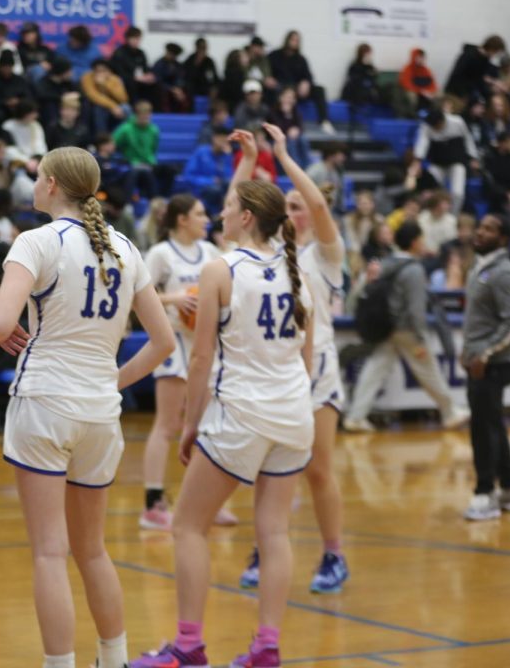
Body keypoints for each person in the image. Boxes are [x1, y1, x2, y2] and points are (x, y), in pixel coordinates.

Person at [0, 146, 173, 668]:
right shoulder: (126, 247)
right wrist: (113, 381)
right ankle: (113, 660)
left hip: (44, 401)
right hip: (98, 411)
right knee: (93, 550)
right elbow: (162, 344)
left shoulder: (36, 241)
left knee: (50, 551)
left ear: (49, 185)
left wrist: (0, 332)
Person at [130, 180, 313, 668]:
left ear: (248, 216)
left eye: (229, 206)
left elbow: (201, 356)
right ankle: (266, 648)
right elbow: (307, 358)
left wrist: (191, 423)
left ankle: (188, 646)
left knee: (188, 527)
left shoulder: (219, 269)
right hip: (295, 415)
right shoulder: (299, 271)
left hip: (242, 414)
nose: (221, 213)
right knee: (273, 533)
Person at [235, 123, 352, 596]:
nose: (291, 211)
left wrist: (282, 157)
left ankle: (334, 553)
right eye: (286, 206)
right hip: (275, 370)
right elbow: (235, 213)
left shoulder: (325, 256)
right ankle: (265, 548)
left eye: (296, 206)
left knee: (318, 468)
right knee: (269, 468)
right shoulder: (265, 252)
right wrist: (247, 162)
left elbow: (320, 205)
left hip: (318, 369)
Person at [139, 194, 237, 532]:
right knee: (167, 425)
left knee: (208, 424)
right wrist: (175, 298)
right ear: (181, 219)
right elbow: (137, 294)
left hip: (205, 345)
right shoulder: (161, 253)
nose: (206, 219)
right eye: (199, 213)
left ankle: (209, 501)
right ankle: (153, 504)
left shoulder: (211, 253)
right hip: (173, 342)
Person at [344, 221, 471, 433]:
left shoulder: (384, 263)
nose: (423, 243)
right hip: (406, 331)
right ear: (414, 242)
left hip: (386, 328)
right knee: (428, 370)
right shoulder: (414, 269)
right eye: (421, 239)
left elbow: (358, 292)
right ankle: (450, 412)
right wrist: (421, 337)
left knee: (375, 368)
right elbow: (415, 308)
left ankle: (356, 416)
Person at [460, 214, 510, 520]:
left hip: (493, 363)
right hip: (479, 359)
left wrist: (485, 354)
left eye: (489, 228)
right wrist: (468, 351)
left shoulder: (503, 272)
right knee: (490, 423)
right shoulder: (480, 267)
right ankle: (507, 487)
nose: (480, 231)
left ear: (503, 238)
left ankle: (484, 492)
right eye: (480, 226)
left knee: (482, 428)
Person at [414, 105, 480, 210]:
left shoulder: (457, 122)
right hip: (437, 163)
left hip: (456, 162)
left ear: (442, 121)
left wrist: (473, 157)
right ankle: (430, 212)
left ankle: (453, 216)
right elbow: (422, 143)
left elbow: (468, 139)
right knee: (430, 190)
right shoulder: (427, 126)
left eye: (437, 125)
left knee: (457, 193)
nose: (435, 128)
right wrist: (418, 161)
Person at [269, 30, 333, 133]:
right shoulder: (274, 55)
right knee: (275, 90)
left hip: (298, 90)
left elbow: (308, 76)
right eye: (293, 39)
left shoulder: (301, 59)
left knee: (319, 90)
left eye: (297, 40)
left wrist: (306, 83)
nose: (295, 42)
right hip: (281, 89)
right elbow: (268, 74)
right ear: (287, 40)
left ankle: (324, 121)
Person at [180, 127, 235, 213]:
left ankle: (225, 214)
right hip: (201, 188)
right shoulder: (201, 152)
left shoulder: (226, 156)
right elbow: (188, 176)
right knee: (215, 190)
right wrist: (209, 181)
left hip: (220, 189)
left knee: (229, 186)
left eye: (226, 140)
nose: (223, 143)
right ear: (214, 138)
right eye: (221, 139)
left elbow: (229, 177)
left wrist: (227, 157)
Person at [112, 101, 160, 200]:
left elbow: (154, 149)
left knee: (170, 171)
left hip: (149, 164)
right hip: (132, 163)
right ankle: (128, 204)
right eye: (143, 115)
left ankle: (159, 202)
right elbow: (112, 143)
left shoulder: (154, 130)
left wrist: (151, 161)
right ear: (136, 115)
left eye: (147, 115)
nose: (145, 117)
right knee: (140, 173)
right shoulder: (126, 129)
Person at [0, 50, 33, 133]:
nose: (7, 70)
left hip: (18, 108)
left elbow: (28, 96)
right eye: (5, 67)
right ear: (0, 66)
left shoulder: (19, 80)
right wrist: (4, 102)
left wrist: (18, 101)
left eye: (9, 67)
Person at [444, 35, 506, 105]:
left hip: (466, 94)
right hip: (454, 92)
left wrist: (491, 90)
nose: (495, 55)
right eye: (496, 53)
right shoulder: (469, 54)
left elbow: (479, 80)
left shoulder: (485, 60)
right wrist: (463, 94)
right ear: (492, 48)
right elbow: (457, 74)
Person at [110, 26, 156, 104]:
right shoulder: (119, 53)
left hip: (139, 80)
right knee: (131, 84)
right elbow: (119, 73)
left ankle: (153, 111)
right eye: (133, 38)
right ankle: (133, 110)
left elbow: (145, 68)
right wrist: (135, 78)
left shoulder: (141, 53)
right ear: (127, 39)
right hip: (125, 81)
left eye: (138, 39)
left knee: (155, 85)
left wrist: (149, 75)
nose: (136, 41)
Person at [81, 58, 129, 134]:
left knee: (126, 108)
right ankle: (102, 137)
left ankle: (122, 135)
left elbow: (123, 98)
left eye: (103, 70)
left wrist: (105, 84)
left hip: (116, 106)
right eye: (97, 71)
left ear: (109, 71)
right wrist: (113, 106)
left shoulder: (114, 79)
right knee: (99, 109)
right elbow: (93, 96)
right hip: (96, 106)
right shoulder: (87, 78)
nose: (100, 73)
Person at [267, 86, 310, 167]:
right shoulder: (273, 112)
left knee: (303, 139)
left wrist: (297, 130)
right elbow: (278, 129)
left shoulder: (295, 111)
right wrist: (286, 114)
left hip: (291, 137)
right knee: (291, 142)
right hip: (276, 140)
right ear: (280, 98)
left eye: (291, 98)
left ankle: (307, 167)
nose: (289, 100)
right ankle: (296, 168)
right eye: (287, 97)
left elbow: (300, 126)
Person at [306, 146, 348, 216]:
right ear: (331, 156)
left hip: (330, 211)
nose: (343, 158)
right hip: (314, 210)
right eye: (340, 155)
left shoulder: (336, 172)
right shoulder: (315, 171)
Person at [397, 48, 438, 116]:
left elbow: (432, 84)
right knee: (412, 96)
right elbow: (406, 84)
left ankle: (434, 115)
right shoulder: (407, 69)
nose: (420, 59)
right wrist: (421, 91)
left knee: (438, 95)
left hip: (425, 91)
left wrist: (431, 91)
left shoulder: (426, 70)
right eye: (418, 57)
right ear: (414, 57)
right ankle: (413, 115)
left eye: (422, 57)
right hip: (412, 90)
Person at [152, 42, 190, 113]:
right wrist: (171, 89)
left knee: (188, 89)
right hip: (164, 89)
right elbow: (158, 80)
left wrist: (178, 89)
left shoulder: (178, 65)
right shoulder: (159, 64)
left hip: (175, 89)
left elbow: (180, 78)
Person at [342, 43, 379, 110]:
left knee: (375, 91)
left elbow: (374, 78)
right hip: (355, 90)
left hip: (367, 89)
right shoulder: (355, 64)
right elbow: (354, 79)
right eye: (367, 53)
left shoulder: (370, 65)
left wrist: (372, 71)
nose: (369, 55)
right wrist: (365, 68)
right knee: (361, 89)